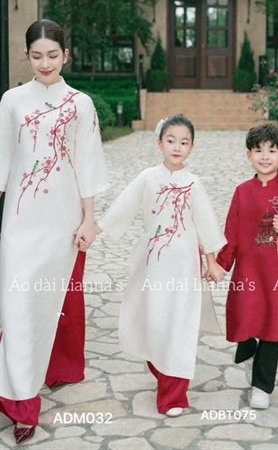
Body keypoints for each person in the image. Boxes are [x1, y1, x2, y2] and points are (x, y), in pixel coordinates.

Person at [0, 19, 109, 444]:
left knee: (55, 298)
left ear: (66, 55)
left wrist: (88, 219)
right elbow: (3, 160)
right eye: (36, 55)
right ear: (26, 56)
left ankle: (44, 378)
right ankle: (20, 401)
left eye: (52, 55)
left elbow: (88, 163)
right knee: (17, 304)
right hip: (20, 221)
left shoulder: (80, 103)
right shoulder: (11, 101)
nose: (45, 63)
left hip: (63, 219)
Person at [93, 114, 226, 417]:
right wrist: (94, 229)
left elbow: (205, 223)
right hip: (152, 263)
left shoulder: (193, 183)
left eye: (184, 142)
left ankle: (173, 396)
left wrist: (212, 262)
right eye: (171, 140)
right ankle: (161, 366)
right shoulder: (147, 177)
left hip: (184, 265)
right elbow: (122, 207)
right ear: (159, 143)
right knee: (154, 319)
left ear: (192, 147)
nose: (177, 147)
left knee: (180, 324)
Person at [216, 124, 278, 409]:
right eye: (258, 150)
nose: (265, 156)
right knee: (243, 316)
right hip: (249, 270)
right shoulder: (242, 192)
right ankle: (248, 354)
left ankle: (262, 386)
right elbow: (231, 234)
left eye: (272, 150)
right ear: (249, 155)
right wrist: (221, 265)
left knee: (273, 326)